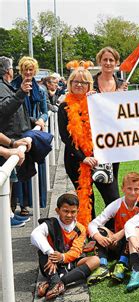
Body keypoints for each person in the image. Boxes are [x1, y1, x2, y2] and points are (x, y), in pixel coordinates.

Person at [58, 60, 118, 227]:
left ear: (89, 84)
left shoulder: (96, 102)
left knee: (112, 198)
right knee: (85, 199)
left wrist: (97, 102)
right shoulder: (64, 107)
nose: (79, 85)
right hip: (76, 161)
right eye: (75, 81)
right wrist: (83, 158)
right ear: (70, 83)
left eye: (83, 82)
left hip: (100, 158)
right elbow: (66, 137)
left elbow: (112, 119)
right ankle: (88, 235)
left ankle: (113, 235)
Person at [31, 193, 100, 300]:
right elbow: (34, 235)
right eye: (65, 211)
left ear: (78, 211)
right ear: (58, 210)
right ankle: (54, 280)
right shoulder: (51, 223)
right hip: (51, 262)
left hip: (69, 261)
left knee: (95, 260)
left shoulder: (80, 228)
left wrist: (62, 257)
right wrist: (51, 253)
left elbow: (76, 251)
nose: (69, 215)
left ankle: (56, 283)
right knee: (42, 252)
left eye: (73, 212)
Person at [86, 172, 139, 284]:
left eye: (136, 189)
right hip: (117, 243)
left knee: (132, 234)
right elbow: (92, 224)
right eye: (129, 188)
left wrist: (120, 233)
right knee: (101, 230)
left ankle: (122, 265)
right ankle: (103, 266)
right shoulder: (117, 204)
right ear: (122, 189)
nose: (132, 192)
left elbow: (137, 224)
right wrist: (98, 237)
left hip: (135, 246)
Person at [92, 47, 128, 227]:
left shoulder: (122, 84)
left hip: (114, 145)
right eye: (105, 60)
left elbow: (127, 113)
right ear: (100, 61)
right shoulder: (89, 83)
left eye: (111, 60)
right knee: (87, 193)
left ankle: (111, 228)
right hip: (91, 146)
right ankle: (90, 229)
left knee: (110, 185)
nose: (108, 63)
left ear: (116, 63)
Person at [11, 56, 49, 213]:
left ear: (35, 71)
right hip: (18, 132)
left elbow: (45, 112)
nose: (28, 72)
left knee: (33, 167)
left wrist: (41, 119)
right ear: (20, 69)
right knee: (19, 168)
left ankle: (32, 202)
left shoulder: (40, 90)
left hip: (33, 132)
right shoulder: (13, 87)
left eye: (31, 69)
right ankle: (20, 205)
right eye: (25, 69)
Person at [0, 56, 35, 227]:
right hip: (8, 141)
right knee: (6, 180)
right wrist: (9, 146)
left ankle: (8, 215)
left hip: (11, 140)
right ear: (9, 71)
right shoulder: (2, 87)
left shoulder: (7, 87)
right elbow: (5, 110)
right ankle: (6, 218)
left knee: (10, 180)